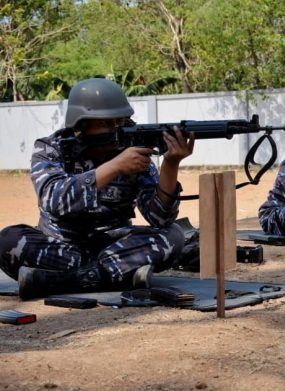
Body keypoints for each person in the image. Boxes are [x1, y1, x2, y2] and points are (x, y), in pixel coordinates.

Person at [0, 78, 193, 300]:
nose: (115, 130)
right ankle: (115, 275)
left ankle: (61, 280)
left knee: (174, 235)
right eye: (106, 124)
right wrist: (114, 167)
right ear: (81, 125)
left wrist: (171, 163)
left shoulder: (133, 150)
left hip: (114, 246)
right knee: (7, 240)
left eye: (120, 122)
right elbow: (53, 199)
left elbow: (160, 219)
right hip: (60, 246)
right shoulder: (51, 149)